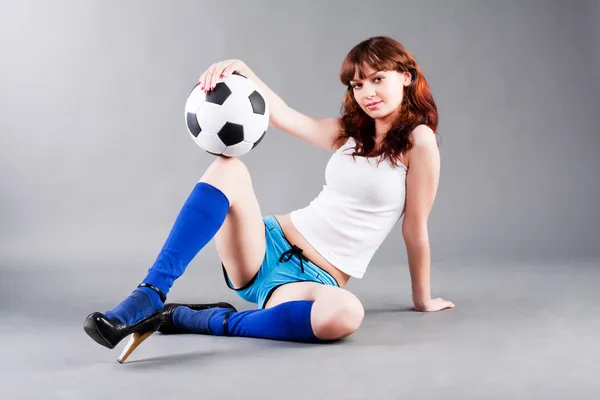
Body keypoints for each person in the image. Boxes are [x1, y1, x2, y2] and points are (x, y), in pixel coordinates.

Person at [83, 36, 455, 363]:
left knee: (344, 314)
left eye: (378, 80)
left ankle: (195, 319)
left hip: (311, 280)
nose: (368, 93)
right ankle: (149, 295)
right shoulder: (350, 133)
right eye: (358, 85)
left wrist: (422, 298)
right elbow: (286, 116)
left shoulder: (418, 142)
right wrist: (243, 71)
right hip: (265, 243)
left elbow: (415, 227)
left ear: (406, 76)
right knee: (228, 168)